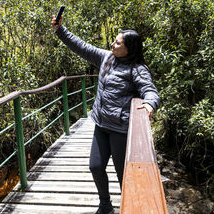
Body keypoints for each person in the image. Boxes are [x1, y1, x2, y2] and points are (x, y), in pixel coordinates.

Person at [51, 15, 160, 214]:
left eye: (117, 42)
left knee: (122, 176)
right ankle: (105, 205)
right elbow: (82, 47)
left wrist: (150, 104)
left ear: (129, 48)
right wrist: (60, 30)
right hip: (101, 124)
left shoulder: (137, 69)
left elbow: (150, 90)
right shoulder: (107, 58)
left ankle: (129, 208)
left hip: (120, 129)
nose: (113, 43)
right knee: (95, 166)